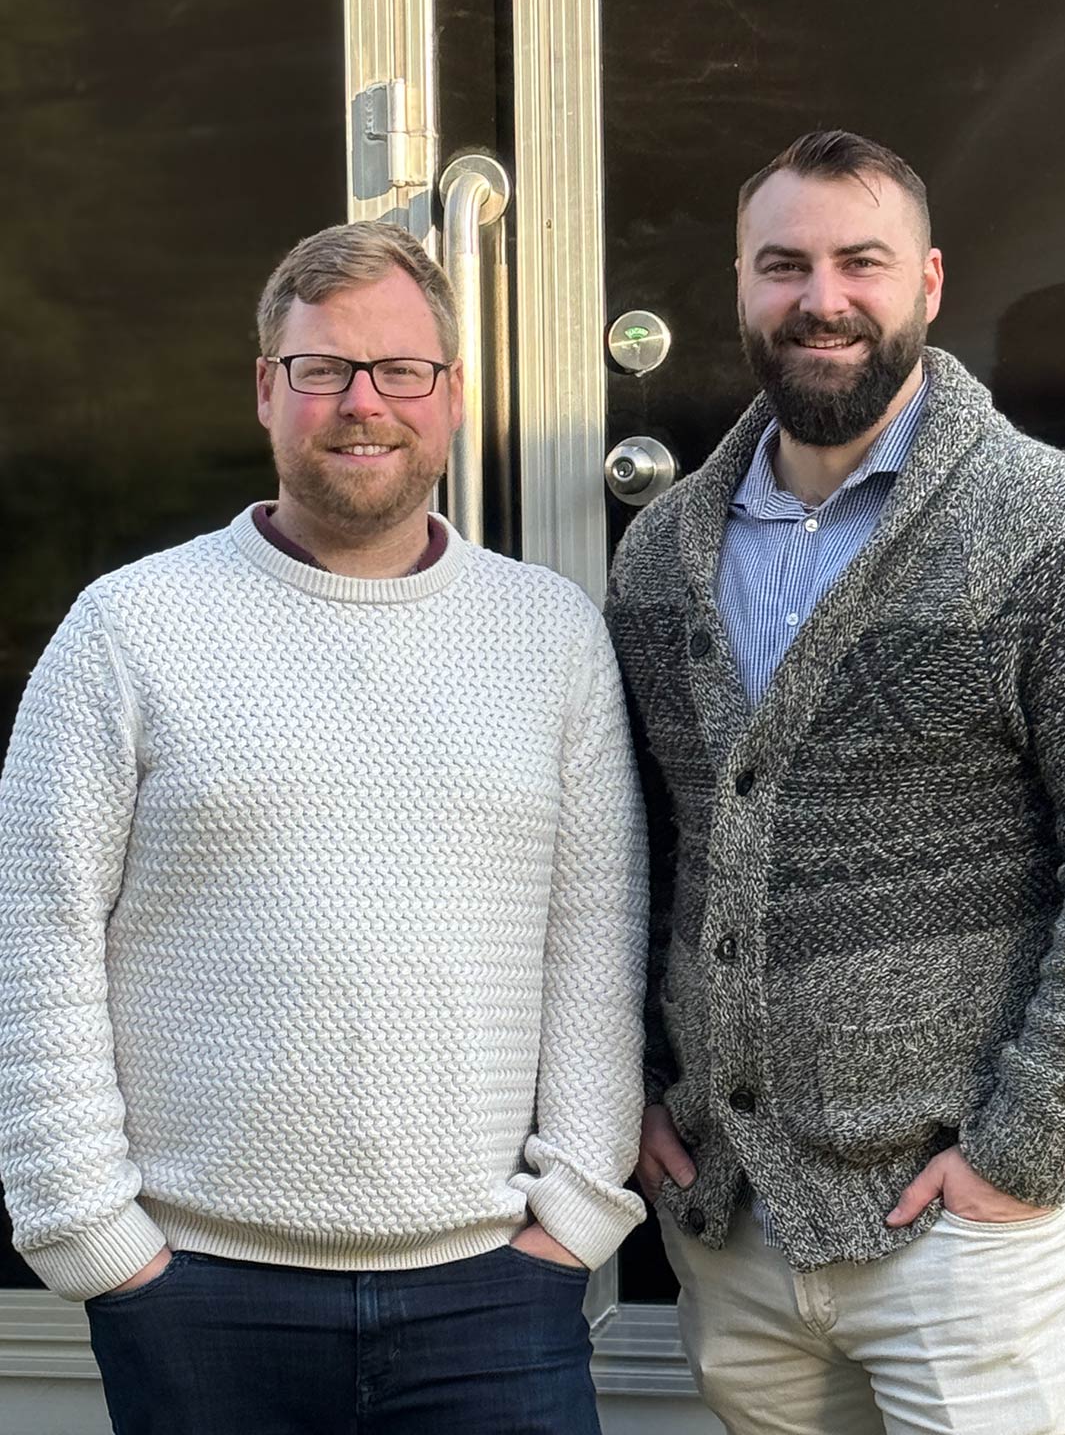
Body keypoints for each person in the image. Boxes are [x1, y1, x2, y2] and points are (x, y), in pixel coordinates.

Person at [0, 221, 648, 1435]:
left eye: (402, 369)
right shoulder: (127, 630)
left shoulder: (550, 636)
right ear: (266, 388)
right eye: (324, 369)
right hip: (197, 1294)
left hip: (492, 1300)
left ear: (452, 395)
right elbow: (39, 940)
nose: (365, 404)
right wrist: (94, 1233)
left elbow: (595, 939)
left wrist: (575, 1216)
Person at [605, 128, 1065, 1434]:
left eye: (859, 262)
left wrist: (1028, 1145)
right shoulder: (660, 559)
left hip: (983, 1235)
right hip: (736, 1225)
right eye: (785, 264)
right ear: (743, 289)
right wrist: (638, 1078)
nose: (822, 298)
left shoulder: (1061, 537)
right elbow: (639, 846)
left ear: (928, 284)